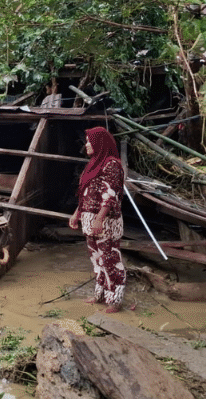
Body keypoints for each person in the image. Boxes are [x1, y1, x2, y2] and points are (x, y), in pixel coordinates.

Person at [69, 127, 127, 314]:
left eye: (89, 141)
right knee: (96, 259)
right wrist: (77, 213)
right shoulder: (93, 164)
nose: (86, 144)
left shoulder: (112, 165)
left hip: (105, 222)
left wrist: (100, 219)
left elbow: (110, 195)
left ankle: (115, 300)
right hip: (89, 218)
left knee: (110, 259)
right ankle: (100, 294)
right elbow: (85, 193)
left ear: (100, 142)